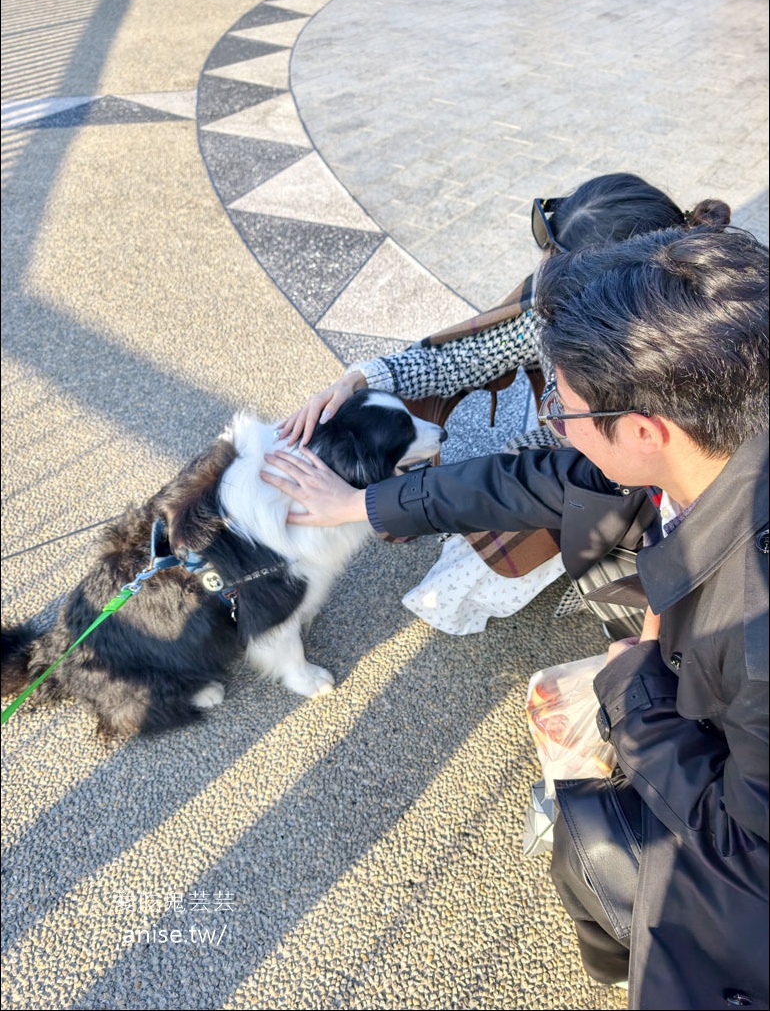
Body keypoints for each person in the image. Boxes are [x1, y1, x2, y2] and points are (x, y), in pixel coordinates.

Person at [262, 223, 769, 1009]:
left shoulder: (754, 622)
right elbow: (528, 479)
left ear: (642, 430)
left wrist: (635, 682)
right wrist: (359, 503)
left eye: (560, 410)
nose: (550, 423)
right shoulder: (714, 430)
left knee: (596, 845)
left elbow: (746, 854)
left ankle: (610, 937)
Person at [280, 173, 732, 637]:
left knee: (527, 533)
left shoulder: (673, 398)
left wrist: (366, 503)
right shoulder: (574, 309)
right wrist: (362, 380)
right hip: (600, 468)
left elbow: (525, 483)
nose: (543, 290)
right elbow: (474, 366)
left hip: (620, 483)